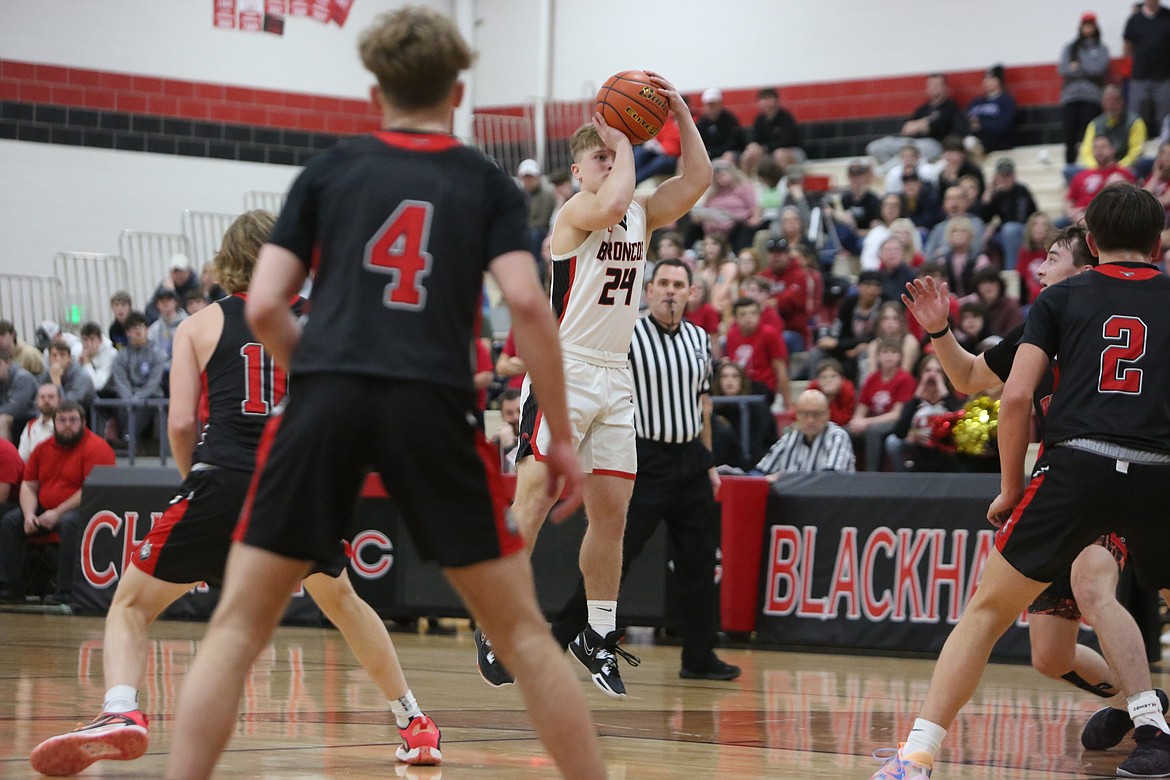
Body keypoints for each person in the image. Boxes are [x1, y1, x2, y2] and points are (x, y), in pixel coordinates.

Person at [164, 9, 603, 779]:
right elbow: (531, 307)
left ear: (375, 89)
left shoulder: (329, 172)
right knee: (524, 635)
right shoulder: (483, 183)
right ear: (459, 89)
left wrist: (324, 368)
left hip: (326, 400)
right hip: (430, 402)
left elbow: (264, 305)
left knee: (237, 626)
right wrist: (559, 434)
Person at [29, 210, 442, 777]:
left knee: (129, 605)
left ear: (225, 262)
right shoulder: (315, 324)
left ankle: (120, 710)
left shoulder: (198, 327)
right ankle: (414, 723)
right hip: (295, 483)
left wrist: (191, 484)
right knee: (342, 600)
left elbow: (178, 423)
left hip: (223, 473)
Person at [872, 184, 1170, 779]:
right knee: (1049, 653)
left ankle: (917, 757)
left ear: (1088, 249)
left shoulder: (1062, 305)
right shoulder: (1062, 312)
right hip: (1151, 468)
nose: (1041, 266)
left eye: (1052, 257)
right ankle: (1138, 706)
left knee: (1062, 592)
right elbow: (971, 378)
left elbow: (1013, 399)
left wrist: (1009, 489)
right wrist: (939, 333)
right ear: (1156, 242)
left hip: (1073, 471)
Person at [486, 68, 711, 700]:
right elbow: (614, 200)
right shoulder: (575, 214)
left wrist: (678, 113)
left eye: (615, 156)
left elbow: (697, 181)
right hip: (566, 368)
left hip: (616, 377)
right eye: (599, 157)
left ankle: (598, 634)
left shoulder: (639, 213)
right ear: (578, 171)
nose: (611, 164)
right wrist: (625, 135)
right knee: (533, 495)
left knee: (611, 515)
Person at [549, 259, 740, 681]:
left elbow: (702, 403)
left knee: (699, 563)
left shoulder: (699, 338)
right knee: (615, 555)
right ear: (648, 290)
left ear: (692, 293)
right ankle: (556, 642)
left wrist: (707, 461)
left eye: (679, 284)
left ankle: (698, 657)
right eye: (663, 284)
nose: (670, 291)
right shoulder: (627, 332)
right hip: (643, 457)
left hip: (691, 459)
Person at [0, 401, 114, 605]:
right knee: (10, 521)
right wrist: (28, 514)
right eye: (62, 420)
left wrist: (57, 512)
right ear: (54, 423)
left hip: (85, 509)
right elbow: (29, 485)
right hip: (45, 508)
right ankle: (11, 589)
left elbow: (90, 489)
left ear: (83, 422)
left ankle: (65, 592)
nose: (67, 425)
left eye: (73, 420)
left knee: (68, 523)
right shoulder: (42, 449)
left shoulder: (97, 448)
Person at [866, 74, 966, 166]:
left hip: (933, 144)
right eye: (931, 84)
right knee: (875, 147)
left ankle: (885, 170)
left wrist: (920, 125)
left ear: (945, 87)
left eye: (937, 84)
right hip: (911, 142)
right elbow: (906, 129)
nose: (933, 87)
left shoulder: (950, 106)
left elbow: (938, 126)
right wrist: (922, 125)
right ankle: (898, 168)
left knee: (912, 154)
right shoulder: (922, 109)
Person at [886, 354, 963, 473]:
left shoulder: (950, 400)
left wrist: (943, 391)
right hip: (919, 450)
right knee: (892, 441)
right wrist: (918, 395)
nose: (932, 375)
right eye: (928, 370)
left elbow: (961, 420)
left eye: (938, 371)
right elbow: (899, 433)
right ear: (921, 374)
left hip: (946, 452)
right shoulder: (914, 402)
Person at [847, 337, 914, 471]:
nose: (889, 356)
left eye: (893, 352)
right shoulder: (872, 379)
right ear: (877, 357)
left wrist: (866, 422)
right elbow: (861, 407)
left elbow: (896, 415)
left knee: (873, 431)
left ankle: (871, 474)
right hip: (873, 420)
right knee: (845, 431)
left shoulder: (905, 379)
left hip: (894, 422)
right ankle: (846, 471)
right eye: (885, 352)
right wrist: (856, 421)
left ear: (900, 357)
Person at [755, 388, 854, 478]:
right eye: (804, 414)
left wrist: (784, 478)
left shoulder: (837, 437)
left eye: (816, 414)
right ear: (797, 415)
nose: (810, 420)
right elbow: (761, 471)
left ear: (828, 415)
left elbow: (831, 478)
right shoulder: (789, 437)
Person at [1060, 12, 1111, 166]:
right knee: (1069, 135)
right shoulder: (1070, 48)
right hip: (1070, 97)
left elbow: (1100, 69)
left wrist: (1079, 65)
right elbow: (1063, 69)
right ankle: (1070, 167)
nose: (1088, 28)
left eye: (1091, 25)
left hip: (1092, 97)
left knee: (1088, 136)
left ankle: (1087, 166)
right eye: (1085, 25)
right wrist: (1088, 67)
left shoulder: (1101, 48)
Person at [109, 311, 168, 442]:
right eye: (133, 328)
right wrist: (129, 397)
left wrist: (137, 397)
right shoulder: (121, 356)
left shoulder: (156, 353)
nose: (138, 331)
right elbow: (121, 381)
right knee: (121, 402)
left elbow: (154, 381)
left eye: (141, 326)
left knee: (142, 405)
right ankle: (127, 438)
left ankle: (128, 438)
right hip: (128, 396)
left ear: (147, 329)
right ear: (127, 333)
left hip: (151, 395)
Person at [712, 360, 777, 465]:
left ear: (742, 380)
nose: (729, 380)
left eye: (735, 376)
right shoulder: (712, 407)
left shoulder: (757, 407)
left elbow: (758, 444)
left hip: (755, 463)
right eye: (724, 376)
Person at [979, 158, 1037, 270]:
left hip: (1023, 228)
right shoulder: (997, 195)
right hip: (1005, 231)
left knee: (1010, 230)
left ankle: (1012, 270)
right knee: (985, 232)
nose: (1005, 179)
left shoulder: (1022, 191)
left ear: (1013, 175)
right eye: (1002, 176)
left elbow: (1027, 215)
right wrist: (989, 192)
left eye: (1008, 175)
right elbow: (984, 218)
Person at [1124, 0, 1170, 136]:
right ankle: (1136, 150)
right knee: (1136, 118)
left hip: (1164, 78)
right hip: (1139, 77)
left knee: (1165, 118)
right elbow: (1127, 46)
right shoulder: (1134, 19)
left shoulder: (1167, 16)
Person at [739, 87, 804, 173]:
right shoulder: (759, 119)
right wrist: (753, 145)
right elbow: (755, 138)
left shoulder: (786, 118)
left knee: (779, 154)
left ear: (776, 100)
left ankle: (782, 183)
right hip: (769, 152)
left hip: (792, 151)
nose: (765, 102)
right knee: (749, 153)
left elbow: (786, 142)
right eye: (763, 99)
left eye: (768, 98)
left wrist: (765, 148)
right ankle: (746, 182)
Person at [965, 64, 1017, 153]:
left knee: (970, 143)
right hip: (974, 140)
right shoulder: (976, 101)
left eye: (990, 78)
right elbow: (964, 119)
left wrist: (981, 126)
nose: (986, 81)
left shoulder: (1006, 101)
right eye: (985, 79)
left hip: (996, 144)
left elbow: (1003, 126)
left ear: (999, 81)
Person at [40, 340, 95, 410]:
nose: (58, 359)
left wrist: (57, 381)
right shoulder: (48, 373)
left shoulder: (82, 376)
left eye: (62, 355)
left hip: (86, 415)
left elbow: (67, 406)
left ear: (69, 358)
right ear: (49, 359)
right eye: (54, 355)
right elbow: (39, 400)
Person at [145, 255, 199, 324]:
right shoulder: (166, 285)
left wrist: (172, 292)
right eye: (175, 272)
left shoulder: (195, 285)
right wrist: (164, 320)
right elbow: (150, 310)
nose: (179, 275)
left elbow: (184, 311)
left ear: (188, 271)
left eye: (182, 271)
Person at [0, 347, 38, 444]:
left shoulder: (22, 378)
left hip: (30, 416)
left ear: (8, 362)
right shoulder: (2, 379)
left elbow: (14, 408)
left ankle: (5, 455)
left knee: (3, 420)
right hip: (16, 418)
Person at [695, 87, 743, 162]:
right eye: (708, 105)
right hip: (707, 154)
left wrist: (712, 153)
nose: (711, 108)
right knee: (684, 159)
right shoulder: (701, 123)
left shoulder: (731, 121)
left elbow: (732, 144)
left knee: (728, 156)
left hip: (727, 153)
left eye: (713, 104)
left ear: (720, 104)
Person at [17, 382, 59, 462]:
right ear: (37, 401)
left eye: (51, 397)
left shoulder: (66, 427)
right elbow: (22, 458)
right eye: (42, 397)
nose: (46, 400)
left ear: (60, 400)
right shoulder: (31, 426)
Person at [78, 321, 118, 396]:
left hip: (109, 394)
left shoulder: (111, 355)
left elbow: (98, 385)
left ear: (100, 340)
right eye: (85, 340)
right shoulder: (78, 352)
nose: (88, 344)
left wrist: (87, 363)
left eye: (92, 339)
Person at [490, 387, 522, 473]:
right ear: (502, 416)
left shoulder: (537, 441)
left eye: (520, 411)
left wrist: (509, 448)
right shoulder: (495, 444)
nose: (516, 417)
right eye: (509, 413)